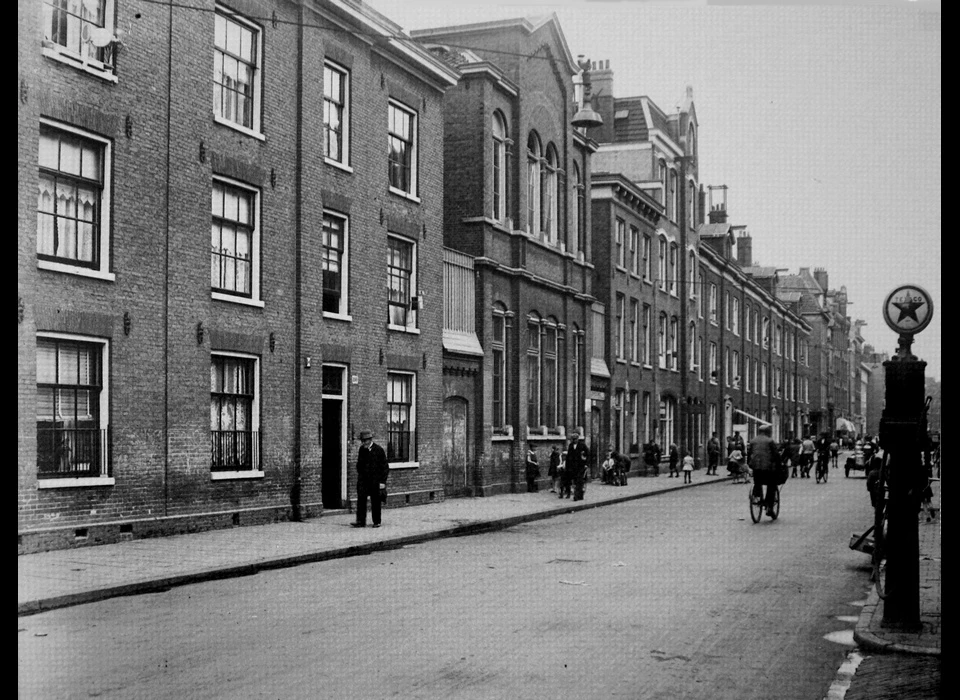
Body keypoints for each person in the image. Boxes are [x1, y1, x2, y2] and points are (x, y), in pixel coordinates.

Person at [353, 430, 389, 528]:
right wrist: (360, 473)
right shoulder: (362, 450)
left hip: (375, 480)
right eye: (362, 441)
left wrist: (382, 482)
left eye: (365, 441)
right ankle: (360, 521)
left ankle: (376, 521)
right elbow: (359, 464)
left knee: (375, 500)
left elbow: (385, 467)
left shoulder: (379, 450)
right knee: (361, 500)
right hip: (363, 480)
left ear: (370, 440)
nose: (364, 443)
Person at [748, 424, 782, 516]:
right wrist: (779, 465)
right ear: (767, 432)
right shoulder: (770, 441)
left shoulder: (753, 441)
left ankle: (756, 497)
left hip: (756, 468)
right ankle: (769, 507)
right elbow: (776, 455)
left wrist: (750, 465)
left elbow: (749, 454)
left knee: (757, 482)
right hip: (768, 468)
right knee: (772, 485)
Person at [568, 432, 590, 501]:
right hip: (573, 467)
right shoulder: (570, 445)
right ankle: (580, 495)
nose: (574, 440)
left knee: (579, 481)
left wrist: (586, 463)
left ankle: (576, 496)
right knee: (575, 481)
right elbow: (569, 456)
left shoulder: (582, 445)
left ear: (578, 439)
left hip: (581, 466)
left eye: (575, 439)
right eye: (573, 439)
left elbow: (588, 454)